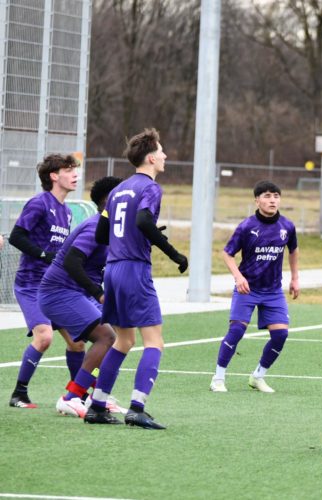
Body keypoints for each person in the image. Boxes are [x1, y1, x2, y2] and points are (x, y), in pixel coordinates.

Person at [85, 128, 188, 429]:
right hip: (133, 269)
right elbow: (143, 220)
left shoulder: (118, 190)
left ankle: (98, 405)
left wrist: (128, 239)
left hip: (114, 269)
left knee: (124, 340)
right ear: (152, 157)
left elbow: (102, 233)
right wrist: (173, 253)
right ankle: (137, 407)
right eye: (162, 151)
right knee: (154, 341)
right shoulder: (150, 187)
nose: (166, 156)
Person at [38, 176, 124, 418]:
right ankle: (72, 397)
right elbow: (72, 261)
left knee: (113, 339)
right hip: (58, 292)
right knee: (106, 336)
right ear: (109, 201)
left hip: (74, 292)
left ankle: (98, 397)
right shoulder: (96, 226)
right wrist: (99, 294)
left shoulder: (110, 229)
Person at [210, 181, 300, 393]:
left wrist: (295, 278)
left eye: (276, 196)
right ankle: (218, 378)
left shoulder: (287, 227)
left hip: (273, 291)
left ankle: (258, 376)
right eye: (267, 196)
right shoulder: (247, 227)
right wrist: (238, 277)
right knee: (237, 331)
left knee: (280, 335)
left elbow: (293, 250)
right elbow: (227, 253)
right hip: (247, 289)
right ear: (257, 200)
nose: (272, 200)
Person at [8, 154, 81, 409]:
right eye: (69, 170)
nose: (75, 175)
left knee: (77, 340)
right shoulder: (39, 203)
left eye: (75, 170)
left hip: (54, 286)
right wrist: (43, 255)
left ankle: (77, 395)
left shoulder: (68, 212)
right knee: (44, 337)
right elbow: (16, 237)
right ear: (53, 176)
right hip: (30, 283)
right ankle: (19, 394)